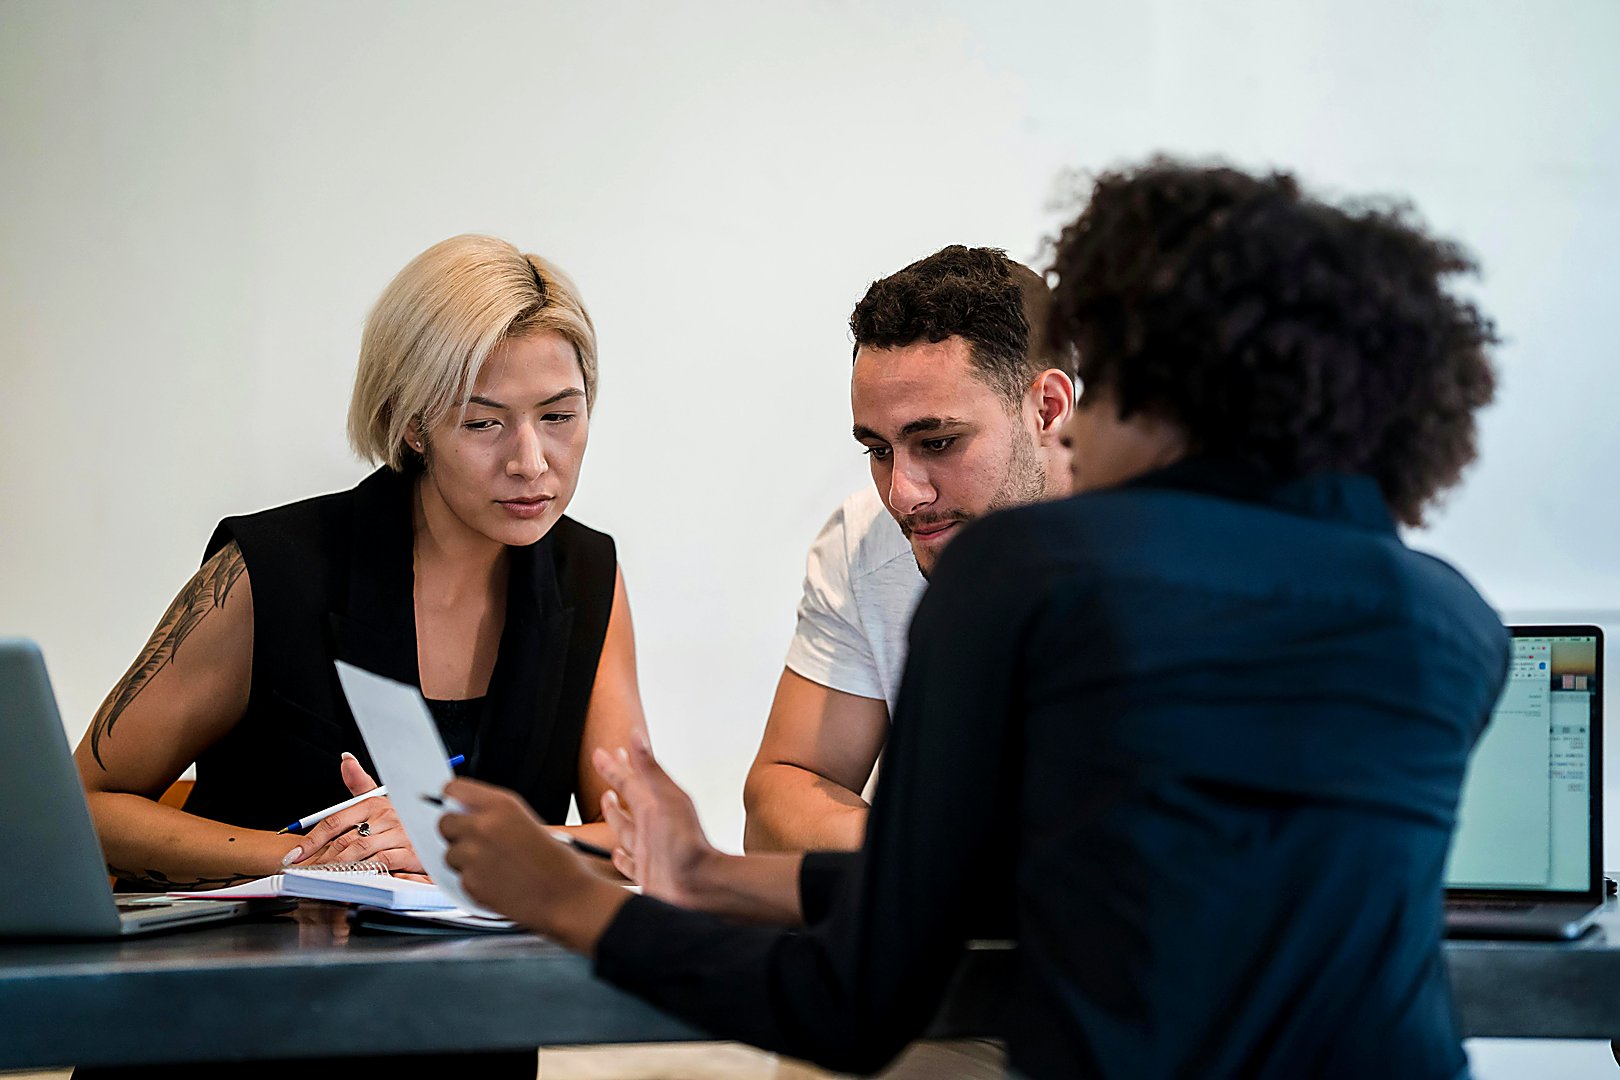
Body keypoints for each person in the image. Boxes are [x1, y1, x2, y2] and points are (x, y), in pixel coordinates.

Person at [440, 160, 1510, 1079]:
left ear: (1153, 388)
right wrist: (712, 872)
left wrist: (575, 906)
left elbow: (857, 1003)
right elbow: (1115, 875)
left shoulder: (1028, 574)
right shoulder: (1454, 626)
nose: (1084, 430)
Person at [73, 234, 642, 1077]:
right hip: (232, 1037)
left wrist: (478, 847)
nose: (533, 462)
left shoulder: (587, 574)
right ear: (413, 424)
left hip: (457, 1037)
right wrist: (309, 863)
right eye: (484, 422)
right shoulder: (272, 572)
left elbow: (636, 841)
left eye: (559, 415)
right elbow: (80, 804)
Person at [743, 245, 1075, 852]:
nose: (903, 494)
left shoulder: (1171, 548)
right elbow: (777, 802)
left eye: (940, 443)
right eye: (878, 449)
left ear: (1047, 410)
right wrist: (931, 857)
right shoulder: (866, 540)